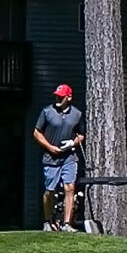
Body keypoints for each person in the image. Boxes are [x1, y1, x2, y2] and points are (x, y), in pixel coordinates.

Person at [33, 84, 85, 231]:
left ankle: (67, 224)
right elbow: (37, 133)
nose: (57, 98)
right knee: (50, 190)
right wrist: (50, 147)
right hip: (51, 157)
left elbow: (81, 135)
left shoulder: (77, 114)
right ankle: (47, 221)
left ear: (68, 98)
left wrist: (72, 143)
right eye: (56, 95)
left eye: (61, 96)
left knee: (70, 188)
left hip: (69, 157)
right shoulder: (47, 112)